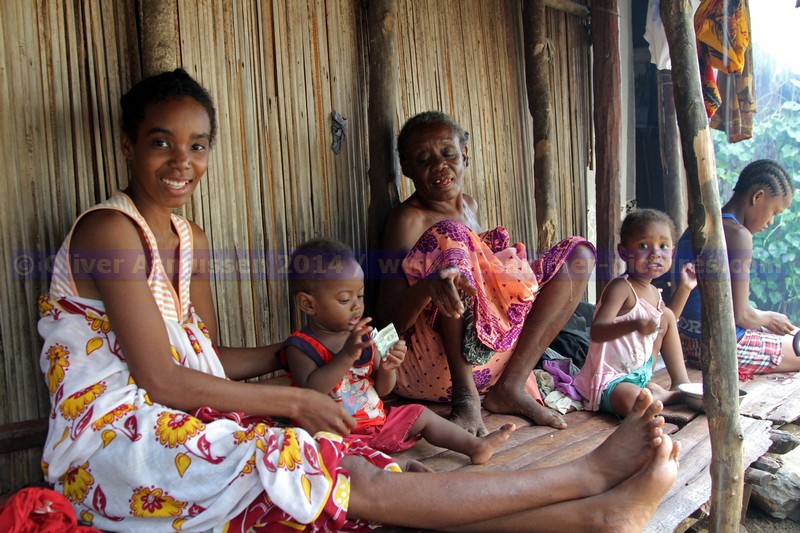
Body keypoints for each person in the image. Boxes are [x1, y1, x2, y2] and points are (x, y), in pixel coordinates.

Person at [38, 69, 680, 532]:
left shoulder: (189, 238)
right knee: (337, 472)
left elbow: (206, 360)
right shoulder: (108, 230)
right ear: (127, 144)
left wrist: (319, 349)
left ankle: (594, 516)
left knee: (364, 480)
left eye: (197, 144)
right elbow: (160, 378)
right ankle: (588, 482)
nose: (182, 160)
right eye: (160, 141)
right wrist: (294, 398)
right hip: (111, 445)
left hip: (180, 420)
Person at [378, 111, 597, 436]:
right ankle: (466, 401)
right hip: (424, 368)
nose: (439, 166)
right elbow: (386, 324)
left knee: (578, 254)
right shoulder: (407, 220)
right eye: (424, 159)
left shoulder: (470, 206)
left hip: (490, 361)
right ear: (408, 169)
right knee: (451, 237)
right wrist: (428, 288)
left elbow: (488, 289)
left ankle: (510, 387)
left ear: (464, 154)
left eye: (448, 153)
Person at [278, 238, 516, 465]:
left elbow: (381, 390)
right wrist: (346, 356)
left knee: (420, 415)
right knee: (344, 460)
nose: (357, 305)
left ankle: (475, 446)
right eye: (344, 300)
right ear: (308, 304)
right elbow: (311, 391)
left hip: (376, 424)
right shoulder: (301, 346)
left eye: (359, 296)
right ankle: (390, 468)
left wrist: (389, 368)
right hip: (332, 435)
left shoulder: (365, 337)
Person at [674, 159, 800, 380]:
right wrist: (769, 318)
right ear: (758, 197)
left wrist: (764, 322)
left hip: (686, 341)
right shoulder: (739, 235)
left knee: (787, 333)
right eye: (774, 212)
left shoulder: (698, 224)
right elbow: (741, 316)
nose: (771, 222)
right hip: (720, 348)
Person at [574, 209, 694, 417]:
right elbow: (597, 332)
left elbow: (667, 325)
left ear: (672, 252)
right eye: (643, 246)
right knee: (636, 402)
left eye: (663, 246)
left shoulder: (654, 292)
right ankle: (662, 397)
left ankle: (681, 384)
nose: (655, 253)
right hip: (611, 381)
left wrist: (685, 288)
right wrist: (634, 324)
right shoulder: (621, 288)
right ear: (623, 252)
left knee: (665, 315)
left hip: (640, 373)